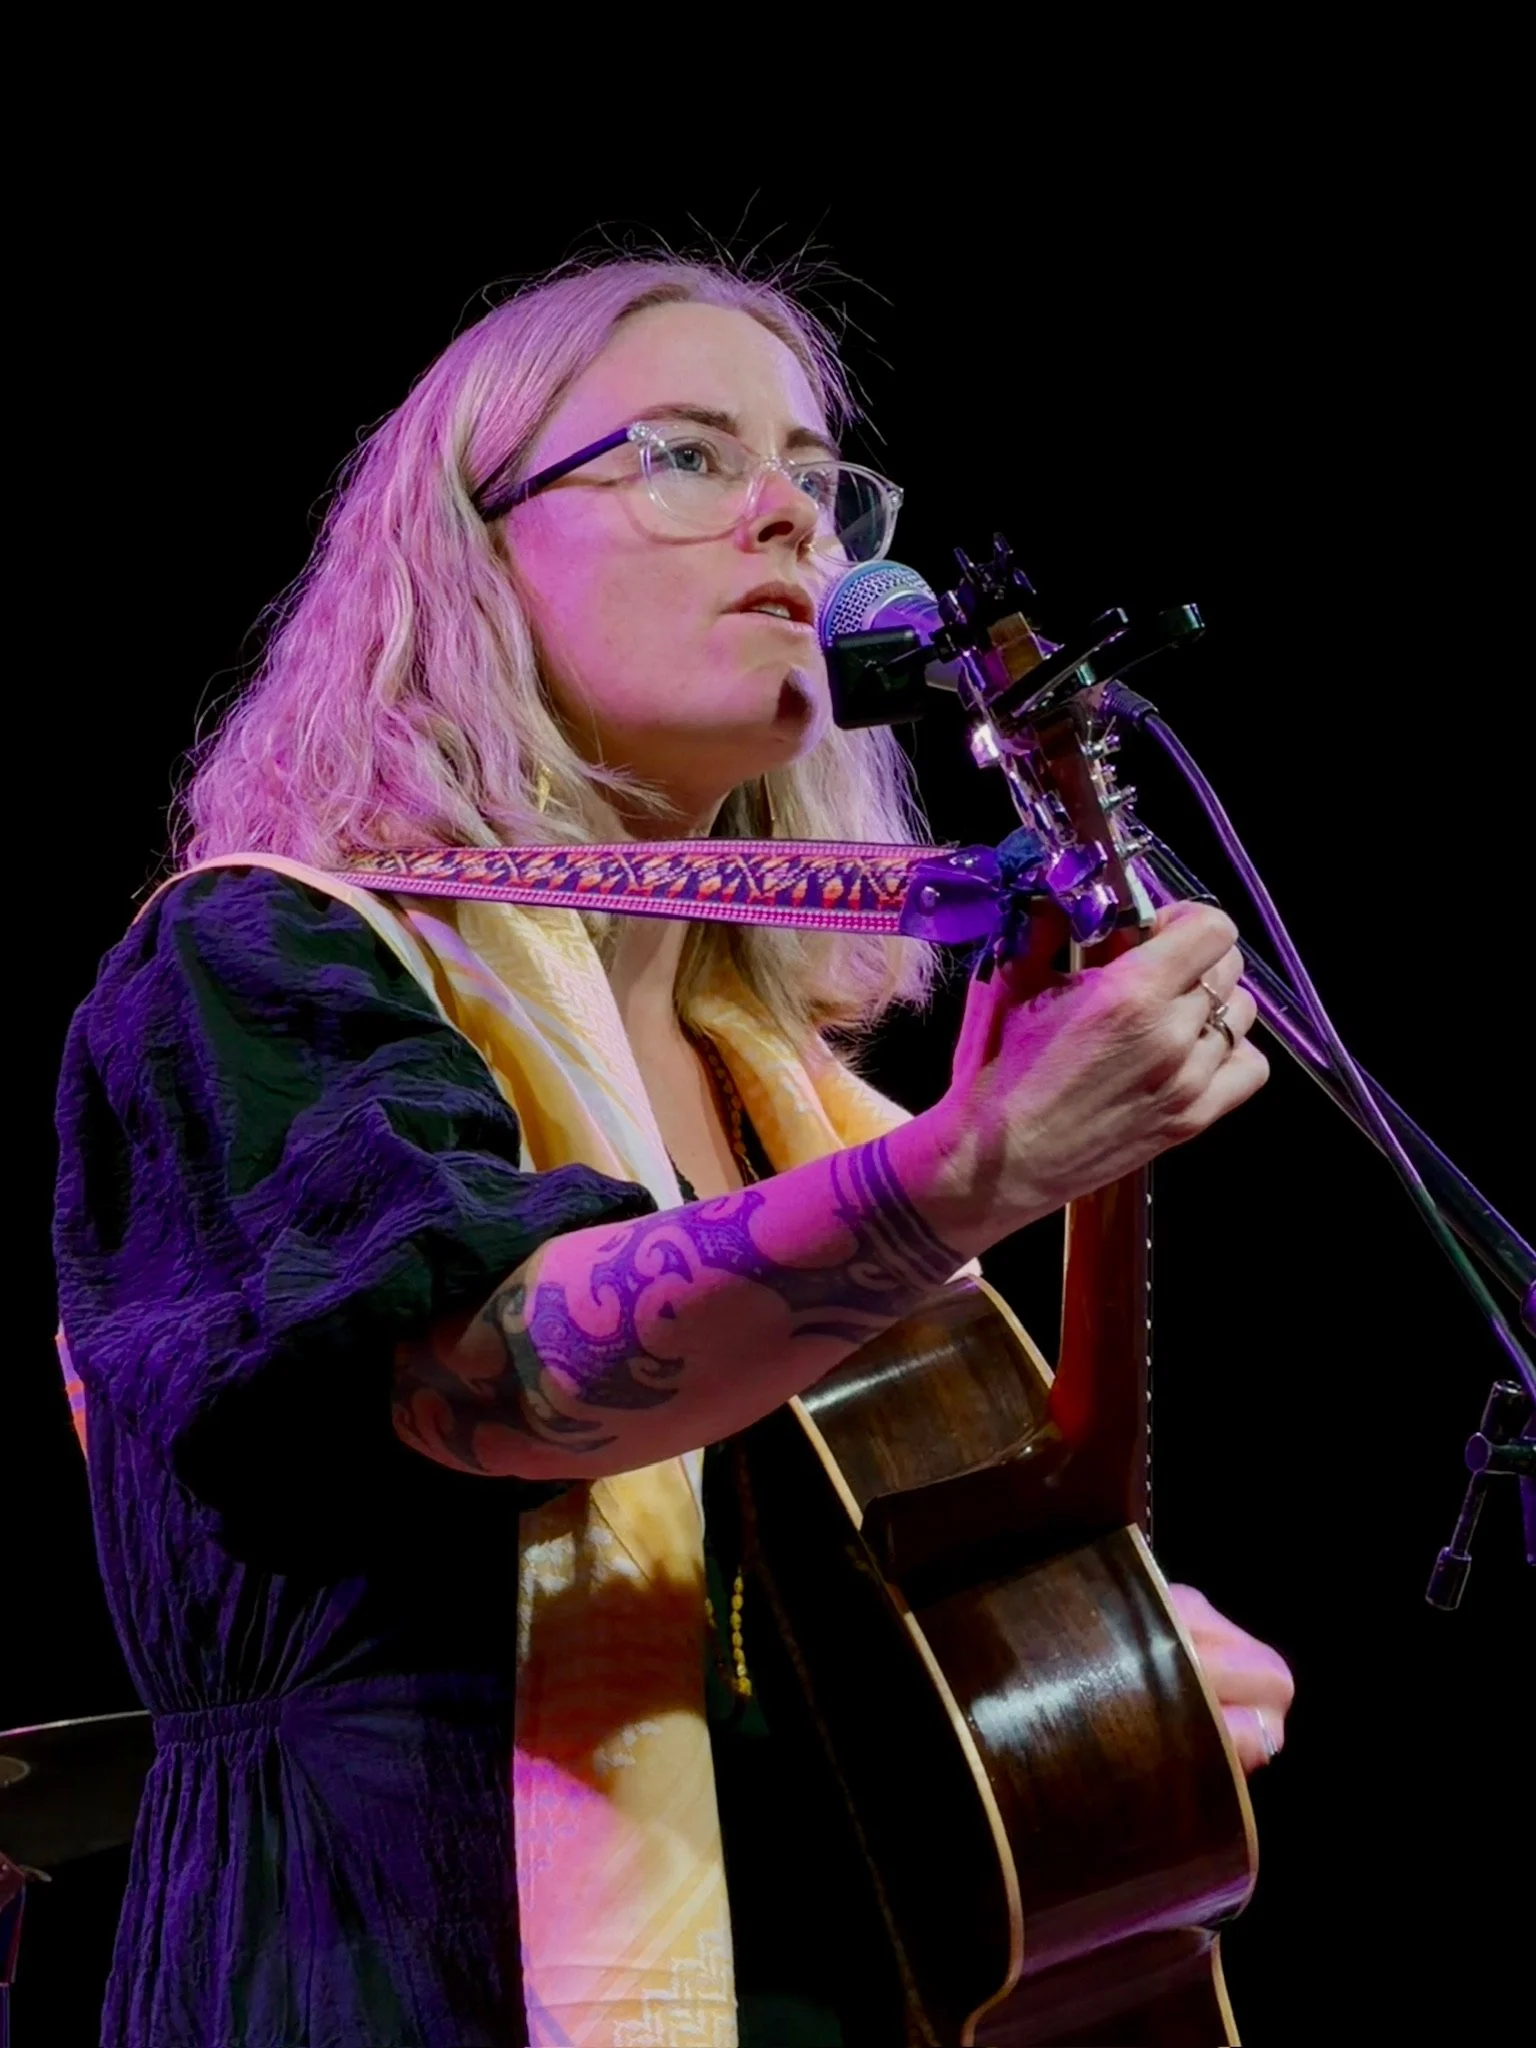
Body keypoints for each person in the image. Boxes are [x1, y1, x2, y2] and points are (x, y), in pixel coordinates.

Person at [53, 254, 1295, 2048]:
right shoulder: (259, 963)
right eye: (690, 456)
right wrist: (968, 1176)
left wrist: (1088, 1683)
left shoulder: (789, 1089)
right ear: (468, 558)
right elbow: (489, 1378)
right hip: (393, 1975)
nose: (795, 518)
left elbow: (794, 1624)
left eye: (820, 475)